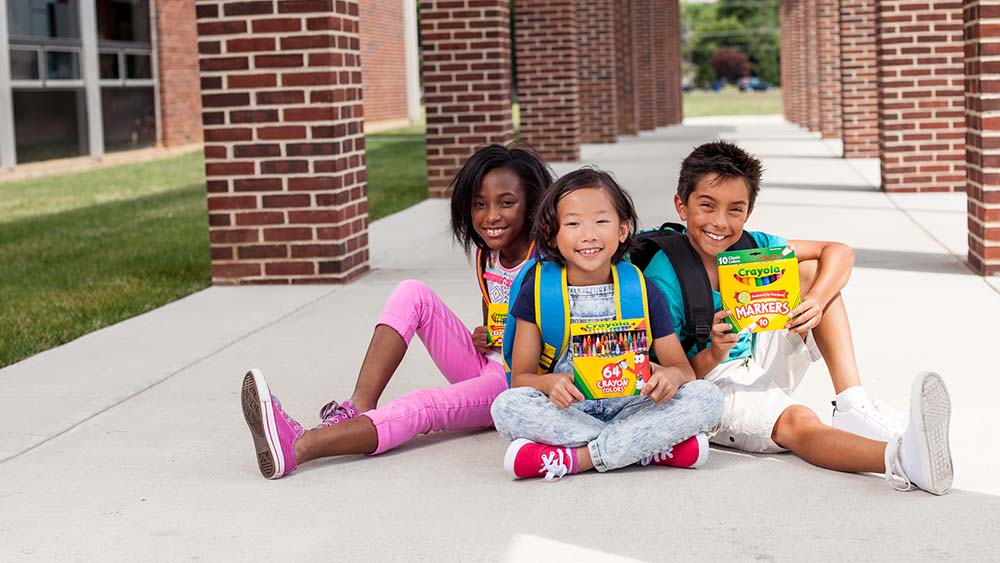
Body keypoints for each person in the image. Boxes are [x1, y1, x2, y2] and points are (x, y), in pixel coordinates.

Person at [642, 139, 953, 494]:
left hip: (755, 357)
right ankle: (902, 459)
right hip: (710, 380)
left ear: (748, 212)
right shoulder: (663, 277)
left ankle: (852, 403)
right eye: (707, 206)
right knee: (799, 421)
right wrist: (716, 349)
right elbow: (680, 376)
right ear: (682, 206)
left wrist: (817, 301)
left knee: (812, 273)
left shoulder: (751, 246)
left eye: (735, 210)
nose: (720, 222)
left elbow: (839, 252)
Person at [240, 143, 554, 479]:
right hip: (488, 365)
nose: (491, 215)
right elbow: (496, 315)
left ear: (533, 205)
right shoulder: (487, 257)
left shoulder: (545, 264)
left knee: (424, 405)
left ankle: (299, 446)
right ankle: (357, 407)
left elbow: (556, 336)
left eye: (506, 203)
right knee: (412, 292)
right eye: (480, 204)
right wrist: (487, 335)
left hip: (514, 383)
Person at [490, 168, 724, 481]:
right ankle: (645, 448)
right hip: (570, 412)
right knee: (507, 407)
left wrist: (668, 376)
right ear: (551, 234)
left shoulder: (641, 289)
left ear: (623, 229)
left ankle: (578, 458)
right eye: (573, 224)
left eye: (601, 221)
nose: (589, 234)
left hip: (634, 407)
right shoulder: (537, 291)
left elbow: (682, 370)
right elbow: (520, 379)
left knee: (707, 397)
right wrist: (549, 384)